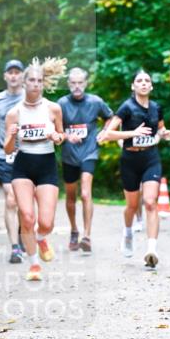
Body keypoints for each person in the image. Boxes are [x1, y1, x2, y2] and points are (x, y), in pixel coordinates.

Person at [97, 70, 170, 270]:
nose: (144, 83)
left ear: (151, 86)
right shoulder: (127, 107)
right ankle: (128, 232)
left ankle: (151, 250)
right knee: (131, 206)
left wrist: (165, 133)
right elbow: (108, 134)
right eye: (139, 81)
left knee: (150, 202)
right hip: (130, 159)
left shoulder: (156, 108)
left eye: (147, 80)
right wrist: (133, 133)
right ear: (133, 86)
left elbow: (161, 128)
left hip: (151, 158)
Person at [3, 57, 66, 281]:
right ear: (24, 82)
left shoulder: (53, 108)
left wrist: (55, 136)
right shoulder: (14, 113)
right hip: (23, 166)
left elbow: (61, 136)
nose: (36, 84)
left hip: (47, 165)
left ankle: (41, 238)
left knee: (46, 223)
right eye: (32, 80)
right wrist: (12, 135)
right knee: (27, 217)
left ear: (43, 83)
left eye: (39, 81)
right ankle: (34, 265)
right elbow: (7, 148)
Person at [58, 67, 113, 253]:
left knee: (85, 193)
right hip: (69, 155)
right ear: (68, 84)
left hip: (89, 152)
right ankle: (74, 230)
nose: (77, 86)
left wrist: (104, 132)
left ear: (86, 83)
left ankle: (87, 236)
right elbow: (54, 128)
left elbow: (111, 117)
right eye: (73, 83)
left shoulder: (95, 101)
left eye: (80, 83)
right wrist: (67, 135)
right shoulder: (61, 104)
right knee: (71, 196)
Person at [0, 59, 27, 263]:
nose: (13, 75)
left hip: (28, 154)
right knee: (11, 199)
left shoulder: (31, 97)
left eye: (17, 72)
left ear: (23, 75)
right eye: (10, 72)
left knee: (24, 202)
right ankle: (15, 247)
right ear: (5, 76)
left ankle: (21, 232)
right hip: (5, 155)